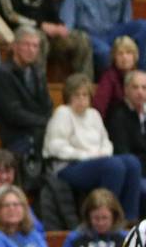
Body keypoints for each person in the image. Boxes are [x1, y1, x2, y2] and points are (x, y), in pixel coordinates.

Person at [43, 72, 141, 221]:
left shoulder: (94, 114)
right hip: (68, 166)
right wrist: (87, 155)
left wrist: (104, 153)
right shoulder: (63, 113)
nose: (81, 100)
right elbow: (55, 147)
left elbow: (106, 141)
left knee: (132, 162)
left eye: (85, 95)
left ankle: (129, 219)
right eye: (77, 95)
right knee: (114, 166)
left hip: (96, 162)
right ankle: (105, 218)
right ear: (69, 96)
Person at [0, 26, 53, 156]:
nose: (31, 50)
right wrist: (44, 122)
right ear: (15, 46)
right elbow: (13, 114)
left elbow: (47, 105)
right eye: (26, 45)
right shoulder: (3, 74)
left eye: (35, 46)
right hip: (16, 137)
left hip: (40, 132)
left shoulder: (38, 72)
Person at [107, 69, 146, 199]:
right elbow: (123, 152)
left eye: (144, 87)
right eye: (135, 87)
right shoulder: (117, 115)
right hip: (134, 174)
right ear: (126, 89)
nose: (140, 92)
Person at [93, 35, 139, 119]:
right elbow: (99, 107)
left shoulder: (140, 77)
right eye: (120, 53)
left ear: (134, 56)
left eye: (128, 52)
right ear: (114, 58)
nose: (124, 57)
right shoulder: (109, 77)